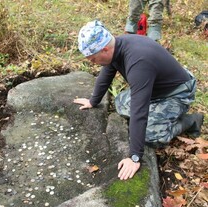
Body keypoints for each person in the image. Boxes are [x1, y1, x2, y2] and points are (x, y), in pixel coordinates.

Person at [74, 20, 204, 180]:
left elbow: (139, 110)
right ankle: (161, 114)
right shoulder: (116, 47)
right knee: (121, 103)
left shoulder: (138, 62)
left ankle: (191, 121)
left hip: (177, 93)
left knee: (151, 135)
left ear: (104, 49)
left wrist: (135, 156)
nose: (93, 63)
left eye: (93, 59)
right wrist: (93, 101)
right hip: (155, 90)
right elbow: (106, 74)